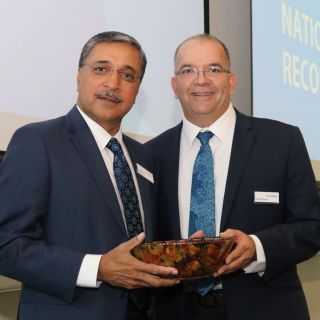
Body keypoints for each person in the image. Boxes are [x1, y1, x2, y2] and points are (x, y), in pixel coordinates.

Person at [0, 31, 179, 320]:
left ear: (137, 90)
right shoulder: (38, 142)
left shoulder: (146, 158)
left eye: (128, 75)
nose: (113, 83)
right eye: (101, 69)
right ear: (78, 76)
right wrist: (97, 268)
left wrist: (187, 254)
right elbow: (6, 245)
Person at [147, 34, 320, 320]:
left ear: (232, 81)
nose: (201, 79)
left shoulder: (281, 141)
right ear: (174, 86)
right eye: (188, 70)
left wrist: (257, 247)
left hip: (265, 309)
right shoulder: (151, 155)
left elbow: (312, 226)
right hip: (175, 311)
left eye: (213, 69)